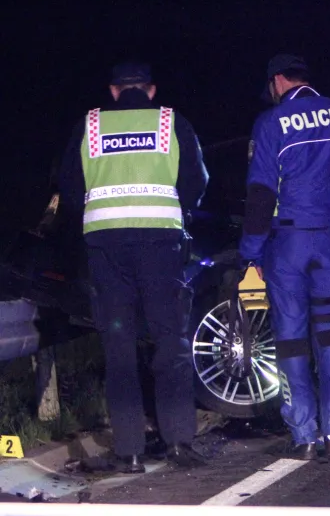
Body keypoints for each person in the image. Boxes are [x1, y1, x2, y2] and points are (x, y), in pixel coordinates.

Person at [58, 61, 209, 473]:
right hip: (160, 244)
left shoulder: (89, 126)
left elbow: (69, 186)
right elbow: (196, 182)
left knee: (119, 347)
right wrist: (180, 213)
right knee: (171, 342)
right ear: (150, 90)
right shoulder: (171, 122)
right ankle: (179, 443)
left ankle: (130, 451)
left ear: (113, 91)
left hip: (107, 248)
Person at [239, 53, 330, 460]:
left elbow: (261, 194)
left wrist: (250, 252)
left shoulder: (271, 123)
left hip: (288, 245)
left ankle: (304, 435)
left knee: (291, 340)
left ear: (277, 81)